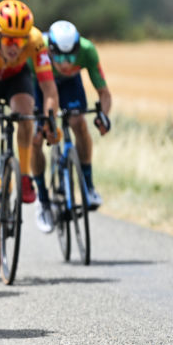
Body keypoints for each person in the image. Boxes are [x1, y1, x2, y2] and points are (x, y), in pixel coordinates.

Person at [0, 0, 58, 259]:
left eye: (20, 41)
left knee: (26, 112)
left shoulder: (35, 40)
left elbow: (49, 89)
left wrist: (50, 119)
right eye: (9, 41)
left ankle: (25, 177)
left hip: (15, 79)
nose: (15, 47)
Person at [30, 20, 112, 231]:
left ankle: (89, 186)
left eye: (71, 57)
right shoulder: (37, 48)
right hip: (40, 84)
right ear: (50, 50)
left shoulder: (87, 50)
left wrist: (103, 116)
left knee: (79, 122)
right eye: (59, 57)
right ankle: (43, 200)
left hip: (69, 84)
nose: (65, 64)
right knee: (36, 138)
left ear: (77, 49)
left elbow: (104, 93)